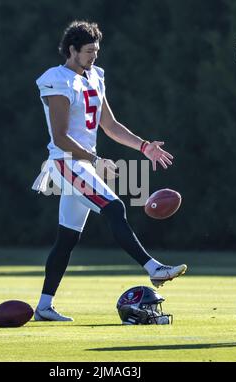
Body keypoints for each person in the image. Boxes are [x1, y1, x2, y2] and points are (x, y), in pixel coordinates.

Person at [32, 20, 187, 322]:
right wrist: (95, 157)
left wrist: (144, 147)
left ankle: (43, 307)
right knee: (114, 207)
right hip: (67, 162)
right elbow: (60, 137)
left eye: (97, 51)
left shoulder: (95, 77)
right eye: (89, 51)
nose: (94, 57)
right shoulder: (57, 79)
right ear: (72, 50)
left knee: (67, 239)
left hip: (83, 163)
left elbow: (110, 125)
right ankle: (153, 268)